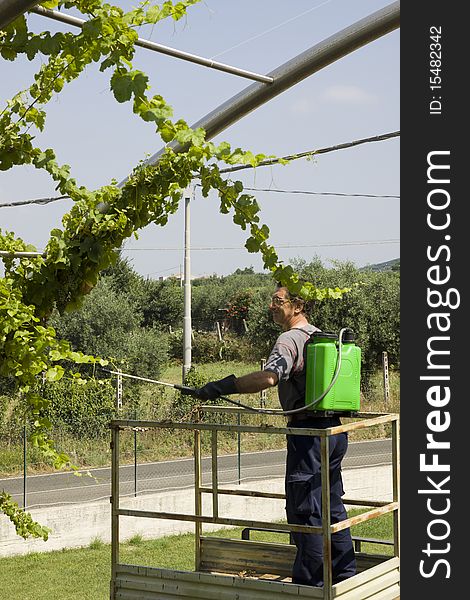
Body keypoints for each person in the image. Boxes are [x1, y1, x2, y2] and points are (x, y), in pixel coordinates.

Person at [193, 285, 356, 587]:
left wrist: (221, 386)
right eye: (271, 301)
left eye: (277, 301)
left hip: (307, 434)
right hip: (334, 432)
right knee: (332, 505)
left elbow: (269, 377)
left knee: (306, 509)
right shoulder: (321, 336)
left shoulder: (289, 339)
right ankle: (347, 578)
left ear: (297, 305)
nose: (271, 306)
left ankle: (310, 587)